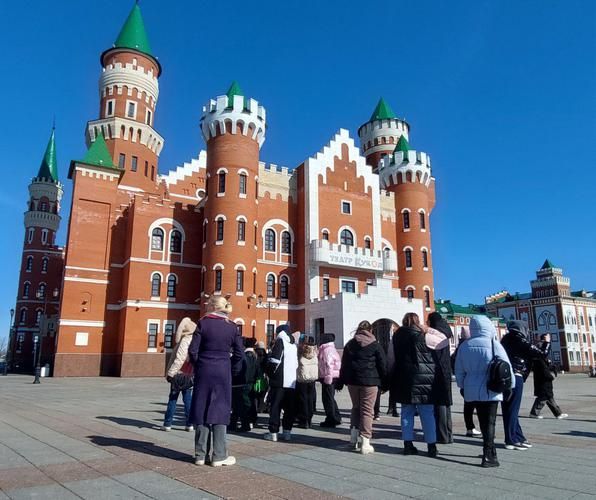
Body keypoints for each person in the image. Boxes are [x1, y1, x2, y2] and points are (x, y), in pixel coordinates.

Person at [188, 297, 244, 466]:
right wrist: (231, 369)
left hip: (204, 370)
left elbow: (192, 351)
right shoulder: (232, 326)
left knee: (201, 407)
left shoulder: (203, 323)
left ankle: (200, 454)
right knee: (220, 409)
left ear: (212, 306)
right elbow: (239, 354)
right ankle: (219, 455)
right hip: (223, 370)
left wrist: (200, 364)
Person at [455, 315, 514, 467]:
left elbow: (459, 371)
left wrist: (462, 386)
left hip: (471, 389)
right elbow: (506, 367)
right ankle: (489, 455)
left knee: (482, 421)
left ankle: (490, 450)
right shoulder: (494, 344)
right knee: (490, 422)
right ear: (488, 327)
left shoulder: (464, 346)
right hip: (491, 388)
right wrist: (510, 386)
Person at [392, 312, 447, 458]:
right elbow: (444, 340)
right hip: (425, 378)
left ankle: (408, 445)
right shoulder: (423, 335)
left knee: (406, 412)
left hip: (404, 378)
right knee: (427, 413)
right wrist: (428, 329)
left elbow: (393, 357)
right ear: (418, 322)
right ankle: (431, 446)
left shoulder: (396, 336)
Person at [338, 320, 387, 454]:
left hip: (353, 382)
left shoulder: (350, 344)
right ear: (371, 330)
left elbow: (344, 364)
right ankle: (365, 442)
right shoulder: (375, 345)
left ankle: (353, 437)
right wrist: (385, 382)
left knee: (356, 407)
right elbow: (382, 364)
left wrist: (341, 381)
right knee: (367, 411)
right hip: (370, 381)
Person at [500, 320, 548, 450]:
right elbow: (541, 354)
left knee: (509, 408)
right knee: (512, 409)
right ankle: (511, 439)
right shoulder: (519, 339)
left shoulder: (505, 339)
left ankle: (518, 436)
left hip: (505, 376)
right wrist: (546, 343)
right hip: (516, 375)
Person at [264, 325, 298, 442]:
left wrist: (268, 372)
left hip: (278, 381)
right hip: (291, 382)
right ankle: (287, 432)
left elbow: (274, 361)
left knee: (275, 407)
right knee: (289, 408)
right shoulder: (293, 345)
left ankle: (273, 432)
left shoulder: (280, 342)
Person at [163, 317, 197, 432]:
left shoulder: (186, 340)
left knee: (173, 399)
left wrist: (170, 373)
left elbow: (180, 358)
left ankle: (167, 423)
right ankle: (189, 424)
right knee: (188, 399)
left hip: (179, 374)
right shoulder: (196, 340)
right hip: (190, 374)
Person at [428, 312, 454, 444]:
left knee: (439, 405)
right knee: (446, 403)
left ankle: (442, 435)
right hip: (446, 370)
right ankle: (449, 434)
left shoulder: (433, 334)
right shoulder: (446, 331)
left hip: (436, 371)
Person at [529, 334, 568, 419]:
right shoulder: (541, 346)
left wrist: (551, 367)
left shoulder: (541, 346)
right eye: (549, 337)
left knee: (549, 396)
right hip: (543, 377)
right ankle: (534, 413)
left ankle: (558, 413)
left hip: (543, 376)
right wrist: (549, 375)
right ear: (545, 338)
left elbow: (545, 360)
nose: (550, 339)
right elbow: (542, 360)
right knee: (544, 396)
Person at [452, 327, 482, 437]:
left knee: (468, 405)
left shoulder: (460, 346)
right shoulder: (469, 345)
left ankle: (470, 427)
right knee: (477, 405)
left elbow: (455, 363)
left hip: (466, 381)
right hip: (474, 380)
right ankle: (475, 428)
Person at [230, 337, 259, 432]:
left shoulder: (238, 356)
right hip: (244, 382)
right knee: (239, 405)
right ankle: (235, 423)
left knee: (237, 405)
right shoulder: (253, 356)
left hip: (237, 382)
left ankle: (242, 424)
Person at [373, 322, 398, 419]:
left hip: (393, 368)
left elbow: (390, 357)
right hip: (398, 368)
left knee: (392, 389)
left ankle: (391, 408)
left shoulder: (392, 342)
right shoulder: (394, 342)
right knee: (394, 390)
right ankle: (393, 408)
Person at [318, 333, 342, 428]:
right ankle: (336, 417)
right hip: (333, 377)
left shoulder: (326, 350)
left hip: (329, 378)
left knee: (327, 399)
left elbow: (328, 365)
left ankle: (331, 419)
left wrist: (327, 378)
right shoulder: (332, 349)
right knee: (331, 398)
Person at [295, 337, 319, 428]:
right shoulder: (314, 352)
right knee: (310, 399)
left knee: (302, 399)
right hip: (312, 378)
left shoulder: (301, 352)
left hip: (302, 378)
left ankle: (303, 420)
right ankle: (309, 418)